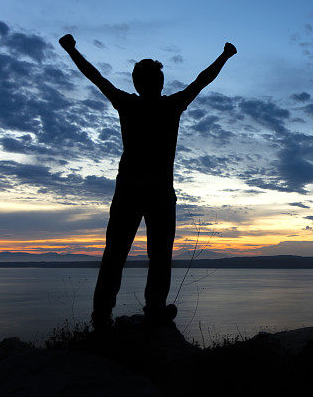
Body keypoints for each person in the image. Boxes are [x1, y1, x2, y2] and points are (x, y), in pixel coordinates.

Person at [59, 34, 237, 328]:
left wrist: (71, 50)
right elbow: (202, 80)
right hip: (158, 193)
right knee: (157, 256)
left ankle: (103, 317)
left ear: (136, 83)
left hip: (130, 190)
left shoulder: (128, 103)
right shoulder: (171, 105)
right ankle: (152, 310)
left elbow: (95, 76)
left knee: (116, 254)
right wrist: (225, 56)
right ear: (160, 83)